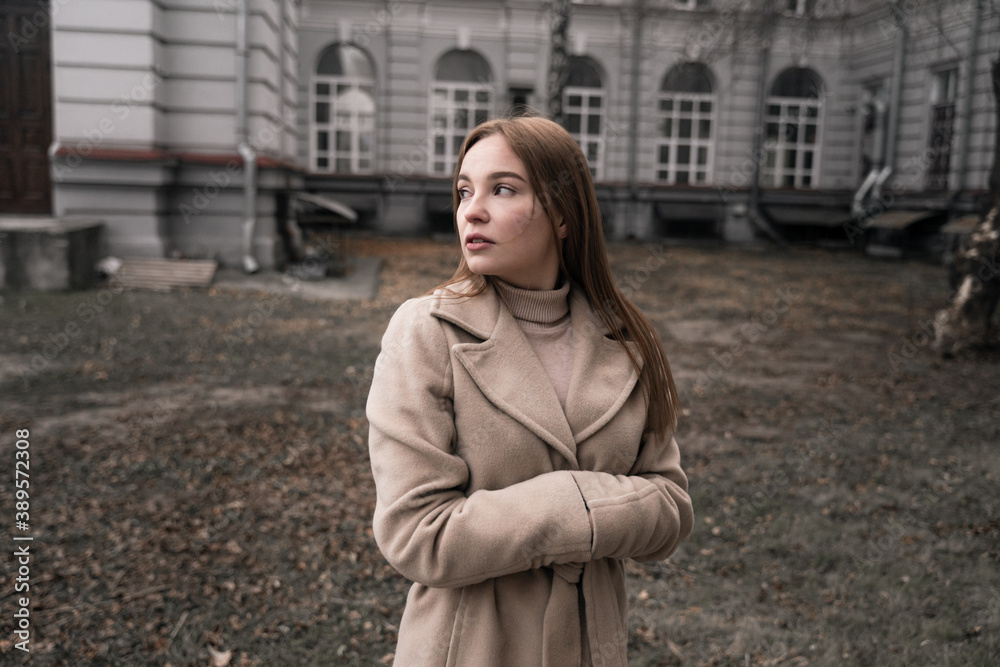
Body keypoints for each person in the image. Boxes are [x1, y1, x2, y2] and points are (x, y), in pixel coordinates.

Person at [366, 114, 693, 666]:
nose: (472, 209)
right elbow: (417, 534)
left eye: (503, 189)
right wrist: (583, 505)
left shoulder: (625, 340)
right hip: (470, 650)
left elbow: (671, 511)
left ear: (563, 214)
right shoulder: (426, 331)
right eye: (464, 191)